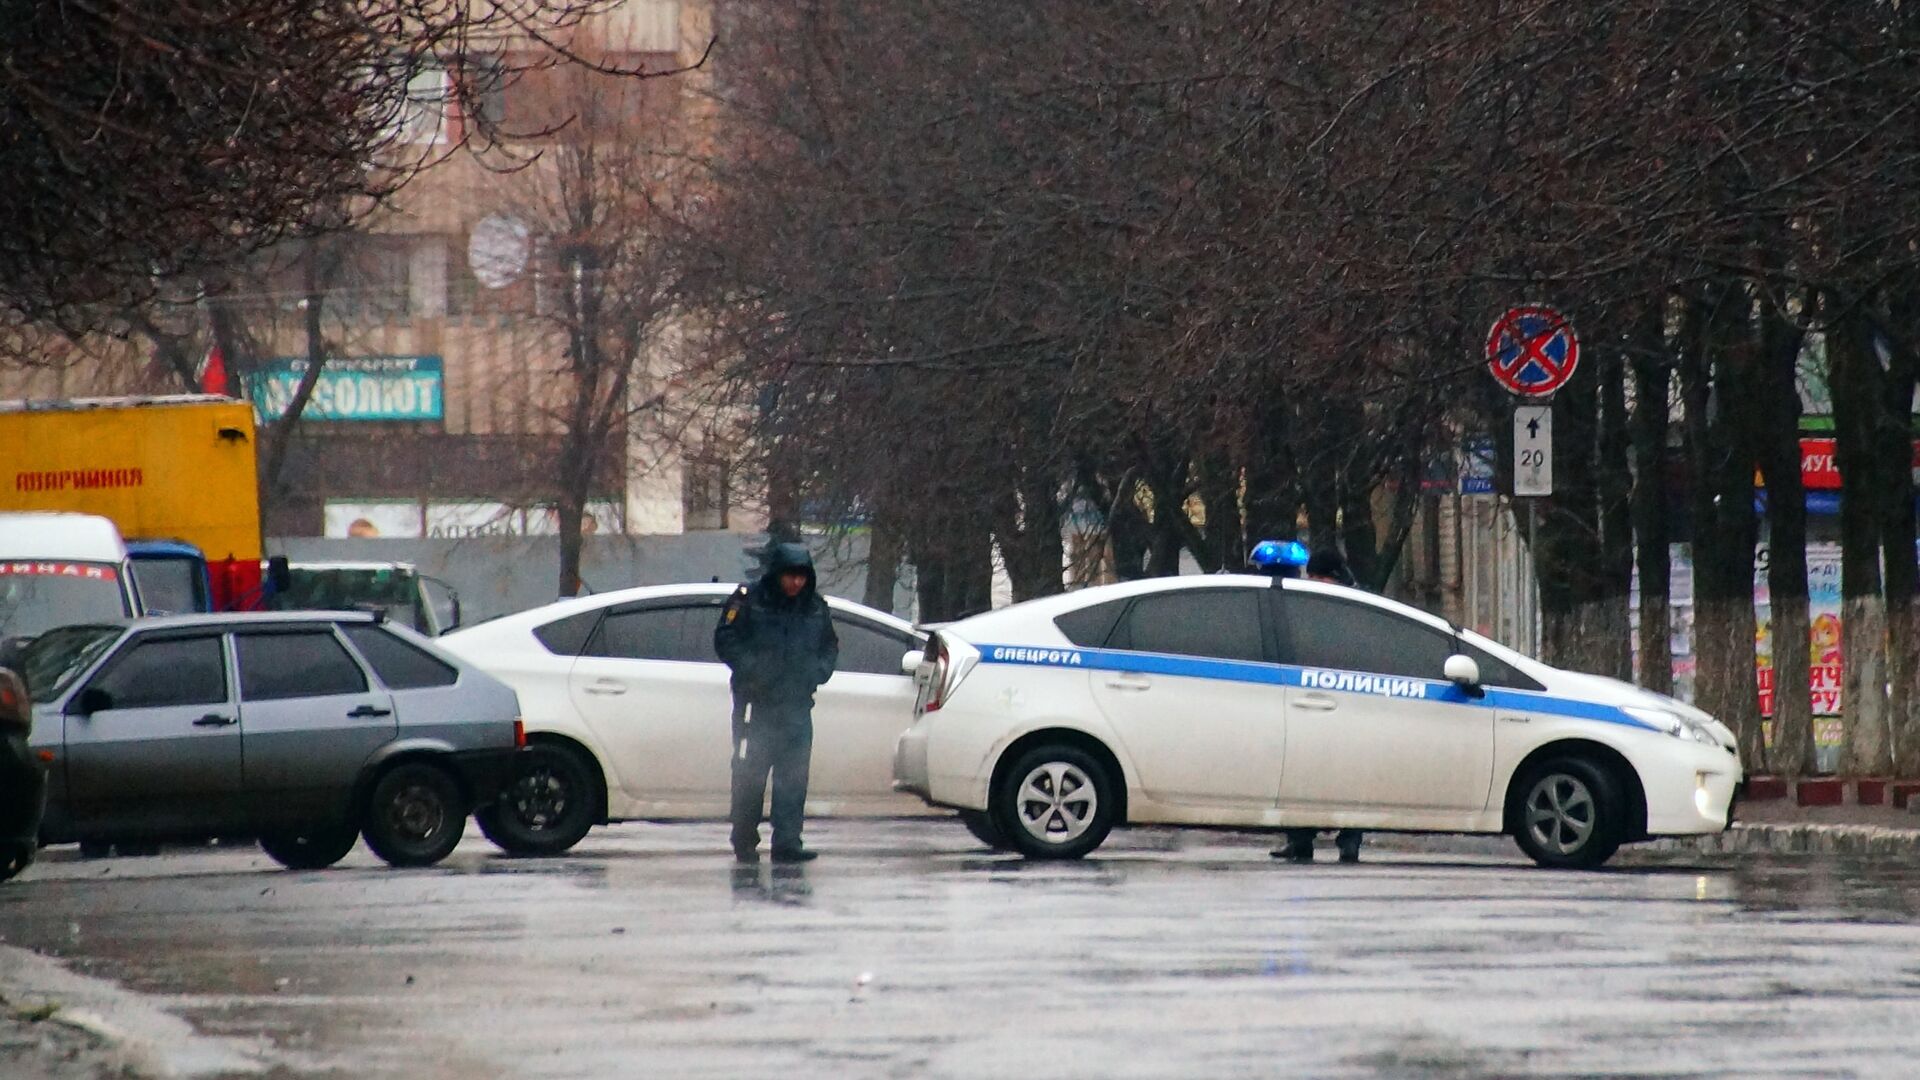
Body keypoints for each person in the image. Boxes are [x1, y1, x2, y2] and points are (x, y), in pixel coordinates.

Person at [714, 542, 838, 863]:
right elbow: (725, 639)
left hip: (797, 707)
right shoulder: (750, 600)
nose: (795, 583)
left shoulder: (814, 607)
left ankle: (787, 843)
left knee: (793, 779)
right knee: (749, 776)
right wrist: (754, 668)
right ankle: (744, 839)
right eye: (789, 576)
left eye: (801, 576)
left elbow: (829, 647)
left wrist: (816, 672)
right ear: (776, 574)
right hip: (756, 707)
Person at [1273, 547, 1365, 864]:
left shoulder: (1353, 609)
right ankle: (1299, 838)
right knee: (1302, 770)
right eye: (1312, 577)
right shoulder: (1306, 606)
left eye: (1321, 577)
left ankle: (1348, 838)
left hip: (1346, 704)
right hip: (1309, 703)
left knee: (1348, 773)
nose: (1315, 583)